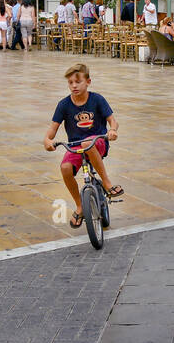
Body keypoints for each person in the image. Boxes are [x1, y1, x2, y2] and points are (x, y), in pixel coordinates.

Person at [43, 62, 123, 229]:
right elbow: (52, 130)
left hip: (97, 142)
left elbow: (112, 121)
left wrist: (112, 131)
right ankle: (80, 206)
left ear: (88, 82)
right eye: (70, 82)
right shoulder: (64, 105)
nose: (74, 86)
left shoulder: (97, 99)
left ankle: (107, 183)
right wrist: (48, 141)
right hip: (75, 146)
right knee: (65, 168)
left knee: (87, 143)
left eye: (78, 82)